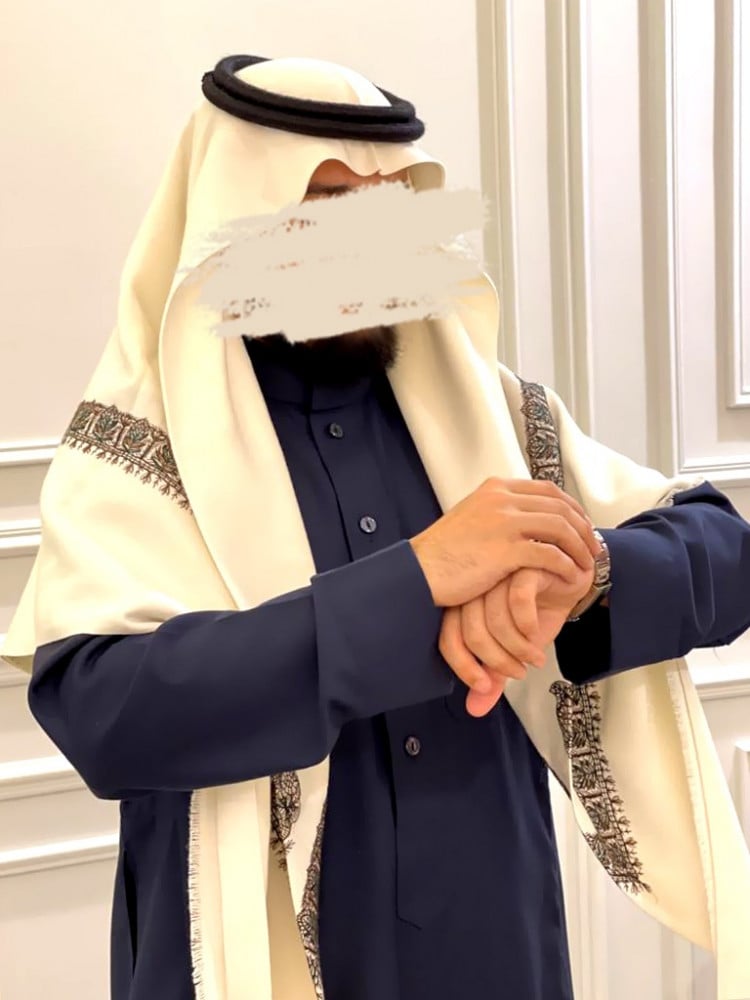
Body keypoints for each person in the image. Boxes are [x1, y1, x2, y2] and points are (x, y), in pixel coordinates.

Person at [3, 54, 750, 1000]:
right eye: (325, 205)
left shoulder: (490, 418)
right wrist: (418, 580)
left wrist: (582, 574)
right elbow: (102, 715)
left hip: (495, 941)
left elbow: (724, 549)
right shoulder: (142, 449)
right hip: (246, 956)